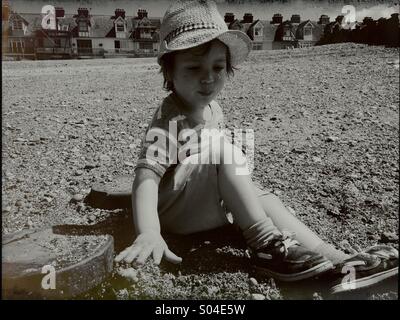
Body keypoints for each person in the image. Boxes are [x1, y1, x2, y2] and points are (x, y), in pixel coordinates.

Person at [115, 0, 398, 293]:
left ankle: (337, 260)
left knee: (263, 196)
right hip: (173, 213)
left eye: (218, 67)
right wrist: (148, 231)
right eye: (194, 67)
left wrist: (240, 186)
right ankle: (266, 246)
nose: (208, 78)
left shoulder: (214, 109)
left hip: (201, 205)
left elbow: (215, 166)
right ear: (169, 72)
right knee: (225, 150)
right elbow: (146, 178)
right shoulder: (169, 119)